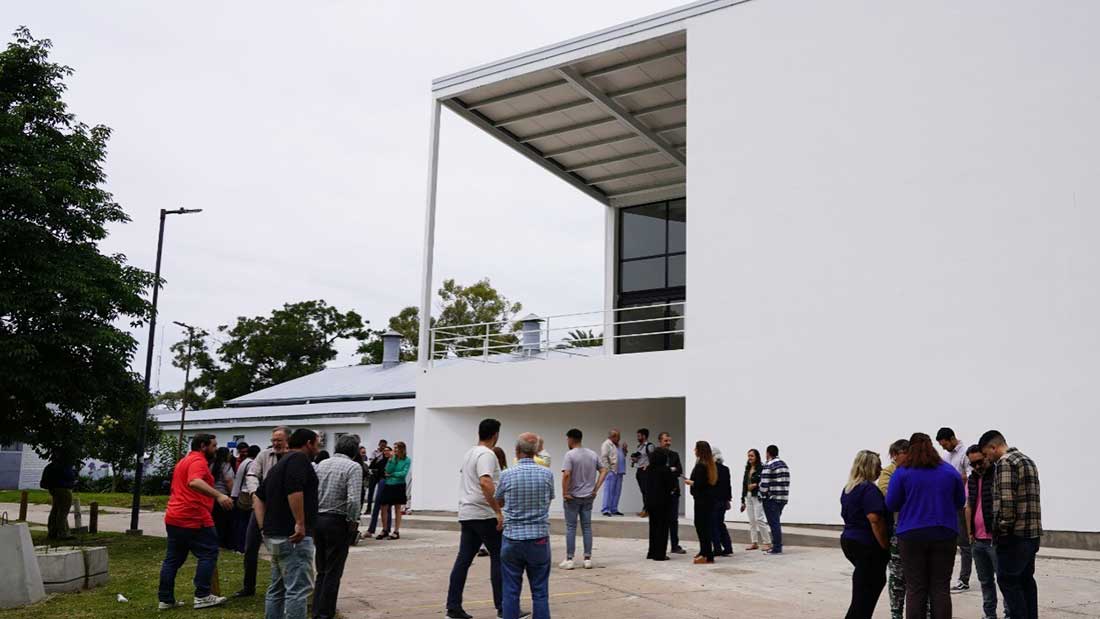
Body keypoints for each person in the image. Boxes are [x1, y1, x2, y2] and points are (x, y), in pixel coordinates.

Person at [885, 432, 966, 619]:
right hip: (945, 533)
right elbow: (960, 502)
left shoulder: (902, 472)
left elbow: (891, 504)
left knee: (915, 588)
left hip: (911, 535)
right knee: (940, 588)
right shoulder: (949, 471)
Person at [157, 433, 231, 610]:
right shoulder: (198, 461)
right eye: (213, 445)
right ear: (203, 446)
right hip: (193, 516)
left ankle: (166, 599)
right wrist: (220, 495)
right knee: (209, 552)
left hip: (174, 516)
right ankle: (202, 595)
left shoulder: (184, 461)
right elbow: (194, 482)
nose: (216, 449)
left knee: (173, 559)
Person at [254, 428, 322, 619]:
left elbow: (258, 497)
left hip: (274, 534)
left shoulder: (279, 464)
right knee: (298, 589)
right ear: (308, 443)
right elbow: (294, 490)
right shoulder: (299, 460)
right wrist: (300, 523)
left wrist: (262, 527)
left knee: (278, 587)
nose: (318, 447)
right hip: (293, 537)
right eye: (317, 443)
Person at [980, 430, 1041, 619]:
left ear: (993, 447)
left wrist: (1002, 531)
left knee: (1008, 581)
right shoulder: (1027, 460)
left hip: (1014, 537)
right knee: (1026, 581)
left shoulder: (1006, 463)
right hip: (1032, 535)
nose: (986, 458)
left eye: (985, 454)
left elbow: (1006, 503)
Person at [446, 419, 505, 619]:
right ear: (495, 434)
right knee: (499, 557)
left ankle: (453, 607)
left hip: (467, 512)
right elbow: (485, 481)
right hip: (483, 513)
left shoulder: (470, 453)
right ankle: (503, 606)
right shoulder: (487, 454)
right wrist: (497, 509)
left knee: (463, 560)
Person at [496, 433, 554, 619]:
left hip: (513, 537)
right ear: (536, 451)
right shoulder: (547, 474)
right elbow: (548, 500)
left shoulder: (506, 475)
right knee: (540, 591)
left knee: (511, 590)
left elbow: (499, 501)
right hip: (539, 537)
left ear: (517, 451)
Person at [234, 426, 290, 599]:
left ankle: (287, 588)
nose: (275, 444)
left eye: (279, 440)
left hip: (285, 508)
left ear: (288, 440)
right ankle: (248, 586)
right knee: (250, 546)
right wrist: (255, 493)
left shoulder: (293, 456)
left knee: (285, 549)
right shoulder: (264, 455)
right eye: (273, 440)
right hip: (261, 504)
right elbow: (252, 474)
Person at [313, 434, 363, 619]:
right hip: (337, 520)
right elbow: (353, 500)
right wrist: (353, 521)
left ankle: (317, 609)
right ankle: (325, 612)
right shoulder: (353, 467)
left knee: (321, 569)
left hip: (318, 518)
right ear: (355, 450)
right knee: (334, 570)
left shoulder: (322, 464)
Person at [840, 450, 890, 619]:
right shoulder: (868, 489)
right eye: (878, 466)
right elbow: (874, 518)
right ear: (870, 467)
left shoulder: (848, 489)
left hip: (849, 540)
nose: (881, 469)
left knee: (862, 590)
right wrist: (884, 544)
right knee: (865, 597)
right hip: (867, 545)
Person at [877, 439, 923, 619]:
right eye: (894, 455)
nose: (896, 458)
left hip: (917, 530)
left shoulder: (919, 470)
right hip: (898, 530)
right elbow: (888, 496)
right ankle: (896, 613)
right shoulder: (889, 472)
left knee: (920, 575)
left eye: (900, 453)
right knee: (897, 576)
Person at [560, 428, 607, 569]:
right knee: (587, 527)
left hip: (573, 496)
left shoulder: (570, 455)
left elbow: (566, 474)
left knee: (571, 527)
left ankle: (570, 559)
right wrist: (595, 488)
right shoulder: (592, 454)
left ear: (570, 439)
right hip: (588, 496)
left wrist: (564, 492)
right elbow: (604, 470)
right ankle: (587, 558)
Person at [964, 444, 1001, 619]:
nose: (977, 466)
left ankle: (1009, 613)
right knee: (985, 581)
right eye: (973, 464)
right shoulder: (972, 479)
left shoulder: (998, 474)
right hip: (977, 540)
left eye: (980, 461)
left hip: (995, 539)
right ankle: (989, 615)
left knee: (1004, 580)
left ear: (986, 456)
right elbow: (969, 506)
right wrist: (969, 532)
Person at [936, 427, 973, 593]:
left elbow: (971, 476)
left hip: (962, 504)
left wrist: (954, 479)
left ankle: (964, 579)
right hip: (947, 504)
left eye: (945, 445)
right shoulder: (946, 456)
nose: (944, 448)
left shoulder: (965, 453)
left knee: (965, 543)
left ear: (951, 439)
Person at [684, 440, 718, 564]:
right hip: (707, 501)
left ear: (700, 450)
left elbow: (699, 483)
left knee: (701, 526)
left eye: (696, 448)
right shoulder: (709, 464)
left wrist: (690, 482)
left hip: (702, 501)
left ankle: (706, 554)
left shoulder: (701, 465)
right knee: (705, 527)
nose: (694, 451)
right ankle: (705, 552)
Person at [644, 447, 678, 561]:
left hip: (651, 502)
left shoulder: (648, 469)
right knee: (663, 529)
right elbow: (672, 486)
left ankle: (652, 551)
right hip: (663, 502)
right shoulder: (665, 470)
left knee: (653, 527)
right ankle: (660, 554)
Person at [658, 432, 686, 554]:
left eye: (669, 440)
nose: (668, 443)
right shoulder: (656, 455)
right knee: (660, 520)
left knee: (673, 520)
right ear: (660, 441)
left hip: (674, 492)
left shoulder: (674, 455)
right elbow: (657, 472)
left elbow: (679, 470)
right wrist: (670, 469)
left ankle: (675, 545)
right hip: (660, 492)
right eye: (665, 441)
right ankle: (660, 547)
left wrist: (668, 470)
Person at [759, 444, 790, 555]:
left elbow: (764, 484)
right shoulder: (784, 465)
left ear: (768, 453)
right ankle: (776, 545)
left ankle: (777, 547)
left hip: (771, 499)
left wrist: (761, 493)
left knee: (774, 523)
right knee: (776, 522)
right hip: (783, 498)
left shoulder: (769, 465)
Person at [376, 441, 410, 539]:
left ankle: (396, 530)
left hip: (399, 485)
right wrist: (391, 461)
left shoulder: (407, 460)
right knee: (383, 506)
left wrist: (392, 474)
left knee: (397, 508)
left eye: (397, 448)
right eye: (394, 448)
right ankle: (385, 529)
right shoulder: (392, 458)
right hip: (389, 484)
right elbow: (387, 470)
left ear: (402, 449)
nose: (394, 450)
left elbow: (403, 473)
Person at [232, 444, 261, 552]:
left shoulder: (244, 462)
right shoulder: (252, 464)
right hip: (246, 495)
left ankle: (238, 545)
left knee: (240, 522)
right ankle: (242, 546)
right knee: (245, 523)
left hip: (238, 493)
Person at [740, 448, 771, 551]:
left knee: (759, 519)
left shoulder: (761, 468)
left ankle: (767, 542)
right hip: (748, 497)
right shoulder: (747, 469)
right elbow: (744, 485)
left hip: (757, 496)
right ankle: (754, 542)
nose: (750, 458)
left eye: (752, 456)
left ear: (756, 457)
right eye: (748, 456)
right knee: (751, 521)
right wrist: (742, 501)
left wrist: (756, 485)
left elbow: (765, 481)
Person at [40, 455, 77, 541]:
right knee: (63, 512)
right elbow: (70, 477)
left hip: (53, 489)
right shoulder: (63, 466)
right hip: (63, 489)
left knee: (55, 510)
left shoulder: (50, 467)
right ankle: (63, 533)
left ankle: (52, 532)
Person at [210, 446, 236, 549]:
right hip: (223, 495)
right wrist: (233, 495)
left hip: (213, 495)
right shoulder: (226, 465)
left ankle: (214, 541)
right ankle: (223, 543)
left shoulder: (212, 465)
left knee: (215, 520)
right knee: (224, 521)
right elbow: (229, 481)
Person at [366, 445, 393, 537]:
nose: (386, 452)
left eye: (387, 451)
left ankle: (387, 529)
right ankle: (371, 529)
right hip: (381, 483)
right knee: (377, 506)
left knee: (388, 508)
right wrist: (378, 456)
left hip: (389, 484)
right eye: (384, 451)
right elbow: (372, 466)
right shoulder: (381, 461)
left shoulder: (392, 462)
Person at [711, 448, 734, 556]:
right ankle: (728, 547)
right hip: (723, 501)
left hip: (714, 500)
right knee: (720, 524)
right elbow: (728, 486)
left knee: (714, 525)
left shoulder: (711, 469)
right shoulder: (726, 469)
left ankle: (717, 548)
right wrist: (728, 499)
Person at [630, 428, 654, 517]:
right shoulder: (639, 446)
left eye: (639, 436)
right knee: (643, 491)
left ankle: (647, 510)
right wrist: (634, 460)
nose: (637, 437)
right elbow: (640, 459)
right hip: (639, 470)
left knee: (647, 491)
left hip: (646, 471)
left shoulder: (650, 446)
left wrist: (648, 466)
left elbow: (653, 459)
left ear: (644, 436)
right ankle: (645, 509)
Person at [599, 429, 623, 517]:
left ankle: (614, 509)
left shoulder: (617, 445)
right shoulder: (606, 444)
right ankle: (606, 509)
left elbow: (618, 456)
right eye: (618, 437)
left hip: (619, 471)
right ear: (613, 436)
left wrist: (624, 450)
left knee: (617, 491)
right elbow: (604, 457)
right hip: (611, 471)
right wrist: (608, 469)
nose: (619, 438)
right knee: (608, 490)